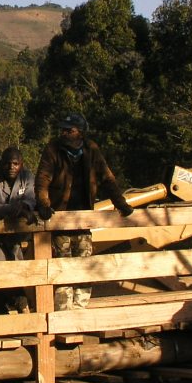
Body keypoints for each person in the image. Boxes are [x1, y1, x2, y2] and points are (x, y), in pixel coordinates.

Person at [34, 113, 133, 310]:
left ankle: (80, 307)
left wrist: (121, 203)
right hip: (60, 217)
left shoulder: (91, 149)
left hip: (84, 216)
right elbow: (42, 178)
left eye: (69, 130)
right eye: (62, 129)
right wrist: (44, 204)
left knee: (85, 262)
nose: (64, 133)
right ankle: (63, 309)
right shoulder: (53, 149)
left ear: (80, 132)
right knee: (63, 263)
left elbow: (106, 177)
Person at [0, 146, 38, 313]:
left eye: (15, 163)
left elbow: (30, 199)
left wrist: (24, 207)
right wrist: (12, 208)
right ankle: (19, 302)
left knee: (17, 262)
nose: (11, 167)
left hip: (16, 235)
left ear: (21, 164)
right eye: (7, 163)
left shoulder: (27, 176)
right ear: (1, 163)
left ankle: (14, 304)